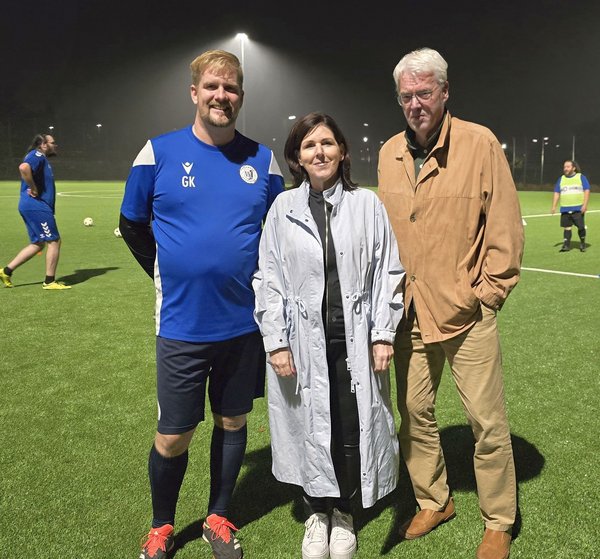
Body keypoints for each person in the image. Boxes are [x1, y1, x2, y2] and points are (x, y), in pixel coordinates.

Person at [119, 50, 284, 559]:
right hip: (181, 325)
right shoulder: (157, 153)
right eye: (212, 86)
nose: (221, 95)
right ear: (194, 92)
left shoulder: (263, 160)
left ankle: (218, 516)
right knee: (174, 434)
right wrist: (169, 272)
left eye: (231, 88)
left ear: (241, 96)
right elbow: (132, 224)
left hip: (243, 326)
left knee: (233, 421)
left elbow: (279, 234)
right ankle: (162, 526)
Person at [378, 48, 524, 559]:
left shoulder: (479, 143)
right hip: (409, 312)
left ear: (444, 92)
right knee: (414, 413)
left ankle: (499, 520)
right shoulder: (389, 153)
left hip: (466, 311)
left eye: (424, 93)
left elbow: (504, 225)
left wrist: (488, 293)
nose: (415, 104)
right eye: (407, 96)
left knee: (487, 422)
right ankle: (434, 500)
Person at [253, 112, 405, 559]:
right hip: (301, 343)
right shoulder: (283, 209)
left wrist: (383, 333)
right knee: (309, 425)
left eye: (327, 143)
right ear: (297, 158)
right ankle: (316, 511)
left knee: (349, 424)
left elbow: (388, 272)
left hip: (352, 341)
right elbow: (269, 278)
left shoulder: (366, 205)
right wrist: (276, 341)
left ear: (342, 151)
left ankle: (343, 513)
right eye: (309, 145)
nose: (319, 152)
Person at [0, 134, 71, 290]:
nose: (55, 145)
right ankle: (49, 281)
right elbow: (23, 167)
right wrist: (33, 187)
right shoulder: (37, 155)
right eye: (52, 143)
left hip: (32, 205)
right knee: (54, 241)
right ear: (43, 145)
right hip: (37, 205)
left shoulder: (41, 158)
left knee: (38, 244)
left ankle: (6, 271)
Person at [551, 159, 590, 252]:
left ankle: (582, 243)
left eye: (568, 167)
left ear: (574, 168)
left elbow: (587, 190)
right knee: (567, 227)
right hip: (565, 208)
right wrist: (554, 206)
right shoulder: (561, 179)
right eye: (564, 167)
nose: (565, 168)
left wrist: (585, 205)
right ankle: (566, 245)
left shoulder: (581, 177)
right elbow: (557, 192)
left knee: (581, 227)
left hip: (578, 208)